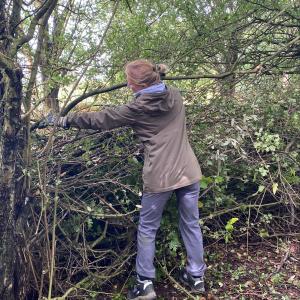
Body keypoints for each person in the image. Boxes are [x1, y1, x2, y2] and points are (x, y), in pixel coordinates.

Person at [40, 59, 207, 300]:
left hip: (160, 176)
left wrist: (63, 120)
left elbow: (100, 119)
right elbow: (159, 87)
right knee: (190, 223)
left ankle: (145, 284)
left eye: (130, 82)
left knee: (148, 228)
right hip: (189, 172)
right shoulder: (175, 95)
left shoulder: (137, 109)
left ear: (137, 84)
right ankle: (196, 276)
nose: (128, 86)